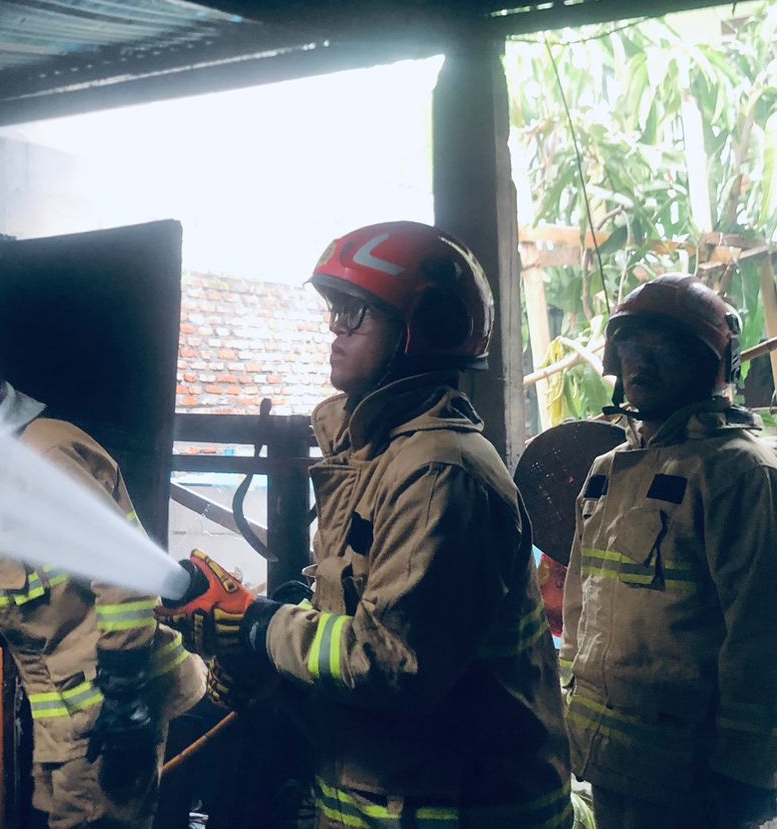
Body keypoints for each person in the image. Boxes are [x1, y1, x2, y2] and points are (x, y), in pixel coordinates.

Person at [157, 221, 572, 828]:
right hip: (382, 803)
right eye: (334, 310)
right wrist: (263, 645)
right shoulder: (377, 457)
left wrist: (258, 626)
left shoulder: (439, 474)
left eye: (355, 314)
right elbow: (351, 617)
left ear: (421, 330)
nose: (334, 329)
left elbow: (391, 664)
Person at [0, 346, 206, 829]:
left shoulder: (44, 459)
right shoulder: (3, 476)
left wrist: (126, 694)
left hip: (108, 714)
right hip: (69, 723)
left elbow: (124, 570)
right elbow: (42, 581)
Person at [560, 273, 777, 829]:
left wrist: (746, 776)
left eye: (667, 348)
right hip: (609, 764)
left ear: (712, 366)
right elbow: (580, 610)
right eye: (632, 346)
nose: (642, 363)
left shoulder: (741, 474)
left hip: (697, 782)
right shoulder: (607, 472)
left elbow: (761, 637)